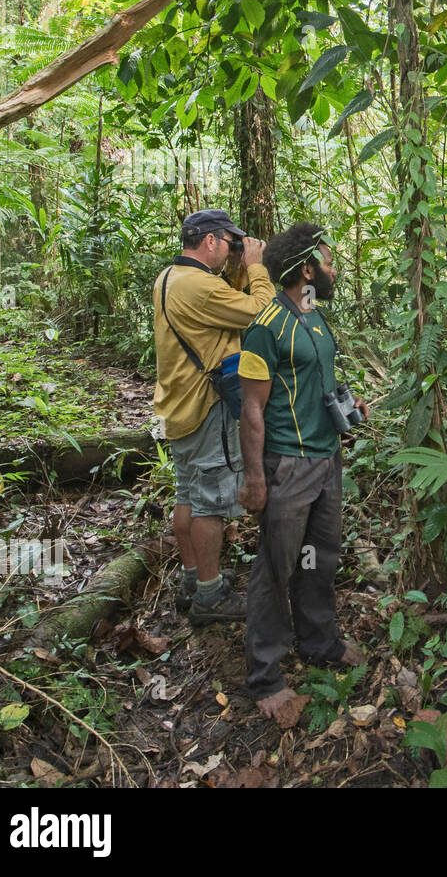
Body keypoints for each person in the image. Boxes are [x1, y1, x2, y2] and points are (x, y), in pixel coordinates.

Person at [238, 223, 369, 724]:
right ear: (308, 270)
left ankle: (319, 643)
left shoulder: (316, 320)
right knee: (276, 566)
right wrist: (255, 479)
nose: (336, 269)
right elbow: (252, 409)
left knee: (320, 558)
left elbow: (318, 382)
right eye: (330, 262)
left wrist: (348, 405)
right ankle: (266, 676)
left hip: (326, 458)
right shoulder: (266, 326)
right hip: (287, 464)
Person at [153, 209, 273, 623]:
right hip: (205, 407)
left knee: (188, 492)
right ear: (209, 241)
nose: (230, 249)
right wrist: (256, 267)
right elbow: (260, 309)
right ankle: (210, 594)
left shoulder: (171, 277)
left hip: (177, 404)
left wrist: (240, 267)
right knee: (211, 505)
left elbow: (226, 307)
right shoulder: (201, 287)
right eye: (228, 242)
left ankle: (190, 580)